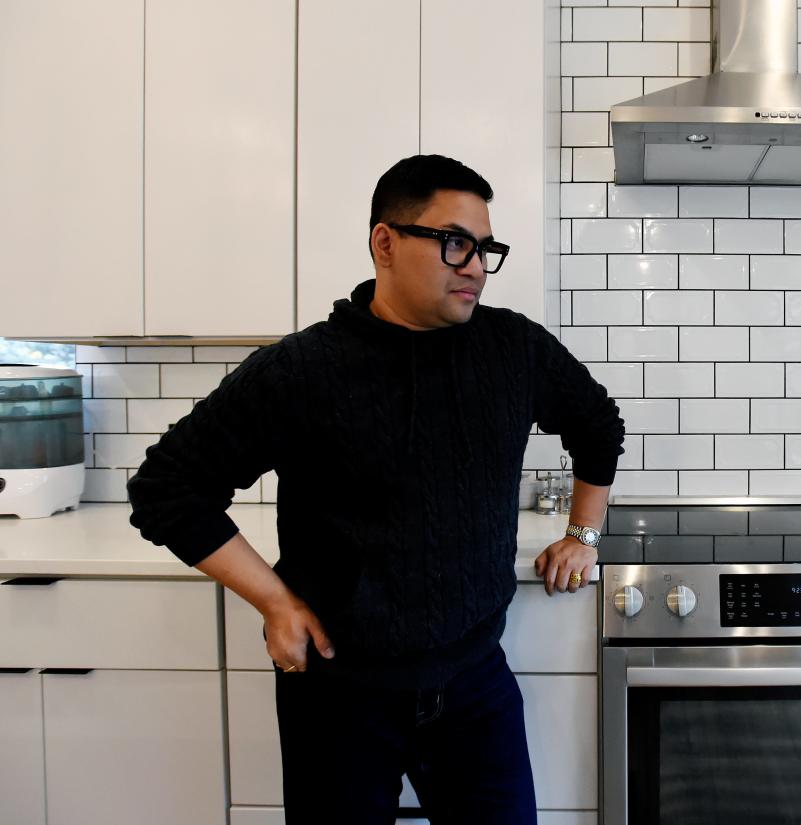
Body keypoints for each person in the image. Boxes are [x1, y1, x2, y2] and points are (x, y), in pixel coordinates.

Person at [127, 154, 626, 824]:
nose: (475, 265)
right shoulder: (302, 370)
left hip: (474, 684)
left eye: (485, 248)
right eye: (455, 242)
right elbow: (167, 486)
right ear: (384, 242)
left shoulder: (514, 350)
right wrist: (273, 599)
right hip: (338, 695)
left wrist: (583, 532)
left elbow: (598, 425)